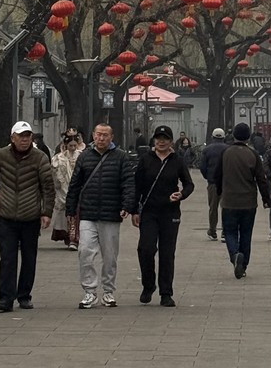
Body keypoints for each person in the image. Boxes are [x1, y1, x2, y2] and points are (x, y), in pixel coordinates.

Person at [0, 120, 55, 312]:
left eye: (27, 136)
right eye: (21, 136)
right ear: (12, 138)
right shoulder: (1, 155)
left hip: (31, 215)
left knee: (29, 257)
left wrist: (46, 212)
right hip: (7, 215)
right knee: (7, 258)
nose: (24, 140)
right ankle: (6, 298)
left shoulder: (39, 157)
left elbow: (48, 187)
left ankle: (24, 295)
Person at [65, 122, 136, 308]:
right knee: (85, 252)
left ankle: (108, 291)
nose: (101, 138)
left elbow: (128, 183)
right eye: (98, 134)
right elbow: (75, 184)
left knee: (110, 256)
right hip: (88, 213)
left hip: (111, 214)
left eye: (105, 135)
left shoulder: (120, 157)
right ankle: (89, 291)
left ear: (111, 137)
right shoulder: (85, 157)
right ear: (93, 136)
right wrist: (70, 210)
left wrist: (127, 205)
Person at [134, 125, 195, 307]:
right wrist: (133, 210)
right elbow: (137, 186)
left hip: (170, 212)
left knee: (167, 253)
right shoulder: (145, 160)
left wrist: (181, 194)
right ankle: (148, 284)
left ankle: (166, 292)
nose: (161, 142)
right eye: (158, 138)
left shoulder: (177, 160)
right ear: (154, 140)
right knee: (146, 249)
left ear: (170, 141)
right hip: (149, 212)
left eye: (165, 138)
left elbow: (189, 184)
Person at [215, 122, 270, 278]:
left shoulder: (225, 153)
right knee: (246, 233)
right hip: (248, 201)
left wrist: (220, 191)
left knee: (230, 232)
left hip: (229, 200)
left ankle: (234, 256)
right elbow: (261, 178)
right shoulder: (253, 155)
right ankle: (243, 264)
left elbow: (218, 175)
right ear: (248, 137)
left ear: (233, 136)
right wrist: (266, 199)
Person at [50, 128, 84, 248]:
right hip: (63, 188)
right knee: (65, 213)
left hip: (77, 188)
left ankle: (74, 238)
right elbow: (54, 174)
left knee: (76, 212)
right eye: (70, 145)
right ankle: (68, 237)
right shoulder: (58, 158)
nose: (73, 148)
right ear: (66, 145)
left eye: (75, 145)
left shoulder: (81, 156)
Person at [199, 127, 228, 240]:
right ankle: (225, 231)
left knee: (213, 207)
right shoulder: (228, 149)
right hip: (226, 183)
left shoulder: (207, 150)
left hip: (213, 183)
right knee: (226, 207)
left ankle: (212, 230)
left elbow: (202, 167)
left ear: (212, 137)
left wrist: (208, 177)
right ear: (223, 137)